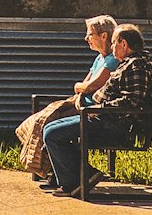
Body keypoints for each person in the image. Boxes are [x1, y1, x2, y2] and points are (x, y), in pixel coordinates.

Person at [42, 23, 152, 199]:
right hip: (103, 118)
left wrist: (99, 108)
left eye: (114, 43)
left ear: (124, 44)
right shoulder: (129, 63)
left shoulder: (137, 66)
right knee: (50, 127)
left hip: (112, 123)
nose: (112, 47)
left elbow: (133, 101)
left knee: (53, 133)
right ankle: (82, 176)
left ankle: (75, 182)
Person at [15, 15, 119, 185]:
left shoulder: (113, 60)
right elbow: (85, 86)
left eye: (90, 34)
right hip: (83, 109)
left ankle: (77, 176)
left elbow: (89, 86)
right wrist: (81, 87)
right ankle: (58, 174)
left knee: (51, 129)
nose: (86, 39)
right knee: (42, 122)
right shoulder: (99, 59)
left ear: (104, 36)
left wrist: (79, 86)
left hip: (94, 114)